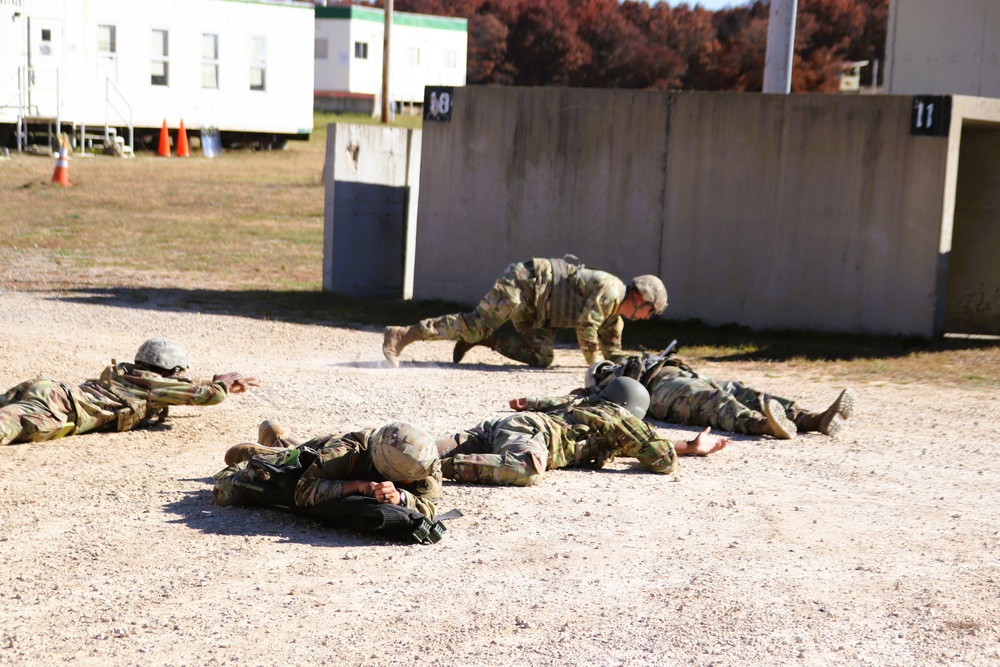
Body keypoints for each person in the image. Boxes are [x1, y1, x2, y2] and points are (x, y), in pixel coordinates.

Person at [435, 376, 730, 487]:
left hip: (502, 428)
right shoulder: (616, 417)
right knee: (527, 469)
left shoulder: (589, 404)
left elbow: (632, 444)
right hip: (531, 435)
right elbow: (661, 459)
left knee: (428, 447)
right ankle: (439, 467)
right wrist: (674, 447)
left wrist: (691, 445)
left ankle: (403, 457)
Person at [382, 256, 668, 368]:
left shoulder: (614, 318)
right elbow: (585, 328)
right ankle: (402, 335)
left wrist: (642, 363)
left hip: (538, 309)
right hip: (525, 284)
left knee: (542, 358)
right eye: (650, 312)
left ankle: (486, 340)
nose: (647, 318)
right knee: (477, 322)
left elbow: (611, 352)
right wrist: (595, 369)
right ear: (641, 299)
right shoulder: (611, 291)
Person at [0, 338, 258, 446]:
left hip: (49, 388)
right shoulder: (156, 386)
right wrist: (222, 383)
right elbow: (212, 395)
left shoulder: (130, 374)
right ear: (170, 371)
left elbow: (175, 389)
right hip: (60, 407)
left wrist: (212, 382)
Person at [583, 354, 857, 439]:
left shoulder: (632, 361)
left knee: (745, 392)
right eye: (603, 369)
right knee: (713, 402)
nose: (609, 368)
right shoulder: (599, 388)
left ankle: (812, 418)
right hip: (661, 392)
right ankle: (762, 424)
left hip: (686, 376)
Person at [214, 419, 442, 520]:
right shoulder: (343, 454)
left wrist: (402, 498)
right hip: (320, 452)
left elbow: (428, 504)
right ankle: (268, 450)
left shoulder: (424, 460)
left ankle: (277, 440)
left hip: (333, 457)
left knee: (292, 449)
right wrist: (357, 486)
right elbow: (303, 492)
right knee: (228, 486)